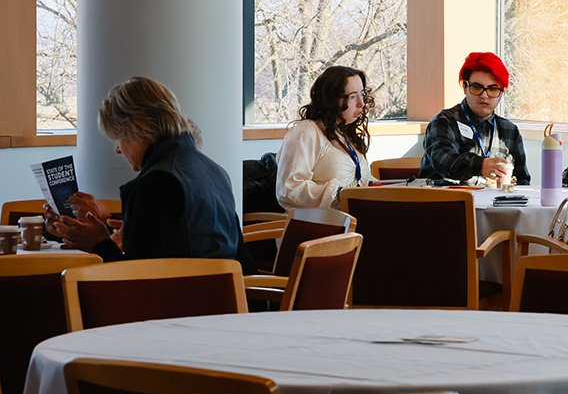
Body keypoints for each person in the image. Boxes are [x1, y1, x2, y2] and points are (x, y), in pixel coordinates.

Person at [49, 76, 254, 271]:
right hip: (227, 295)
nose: (118, 149)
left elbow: (140, 277)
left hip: (184, 302)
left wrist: (98, 244)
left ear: (135, 129)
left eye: (119, 137)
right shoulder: (214, 171)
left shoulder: (159, 181)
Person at [419, 52, 530, 185]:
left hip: (493, 204)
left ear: (502, 93)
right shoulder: (444, 122)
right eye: (477, 87)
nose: (484, 95)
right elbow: (445, 162)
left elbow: (522, 180)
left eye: (493, 89)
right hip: (446, 202)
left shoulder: (509, 131)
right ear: (465, 87)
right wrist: (480, 165)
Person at [276, 66, 373, 210]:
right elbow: (289, 189)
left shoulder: (345, 134)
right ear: (332, 99)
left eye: (362, 94)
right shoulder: (306, 131)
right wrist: (339, 194)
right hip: (322, 226)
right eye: (352, 96)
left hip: (354, 221)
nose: (361, 103)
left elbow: (357, 182)